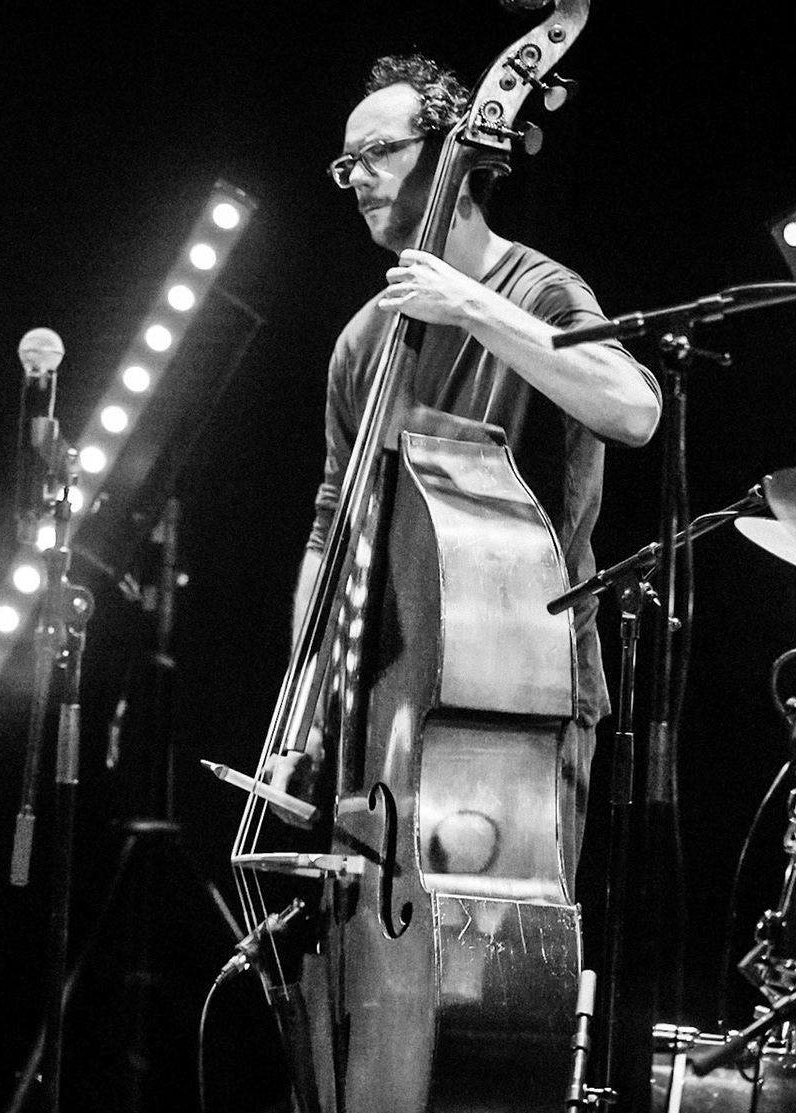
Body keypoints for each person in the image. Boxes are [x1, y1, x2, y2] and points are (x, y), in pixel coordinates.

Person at [285, 53, 660, 872]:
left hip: (517, 691)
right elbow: (331, 527)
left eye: (377, 153)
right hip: (386, 700)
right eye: (346, 164)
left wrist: (471, 307)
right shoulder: (362, 342)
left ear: (453, 157)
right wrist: (306, 698)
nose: (356, 178)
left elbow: (634, 410)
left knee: (494, 947)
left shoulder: (540, 292)